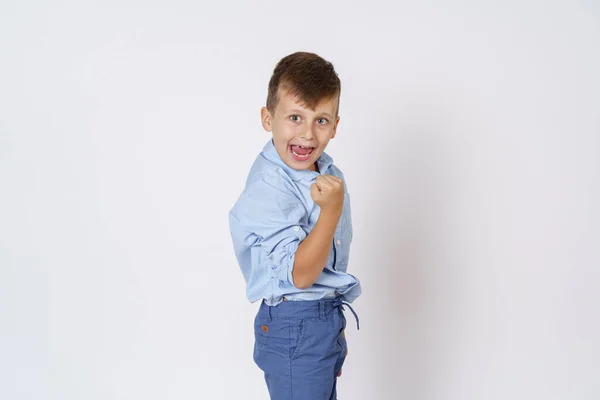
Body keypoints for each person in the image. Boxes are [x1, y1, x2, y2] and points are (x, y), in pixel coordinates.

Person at [228, 51, 361, 400]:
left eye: (321, 120)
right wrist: (329, 212)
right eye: (294, 117)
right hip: (293, 323)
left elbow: (326, 269)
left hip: (320, 321)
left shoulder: (328, 173)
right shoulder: (270, 186)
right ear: (267, 118)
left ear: (335, 125)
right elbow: (300, 276)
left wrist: (332, 330)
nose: (306, 133)